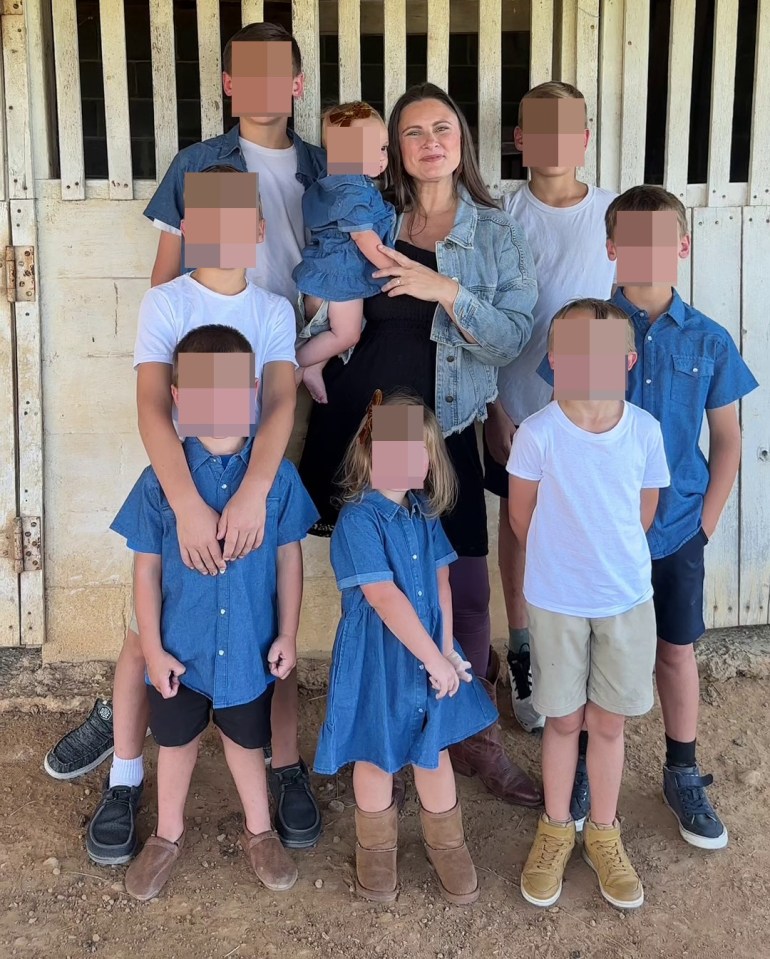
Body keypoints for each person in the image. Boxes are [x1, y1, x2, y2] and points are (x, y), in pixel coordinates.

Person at [44, 19, 326, 849]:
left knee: (263, 586)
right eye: (252, 71)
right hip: (194, 409)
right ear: (230, 83)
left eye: (284, 72)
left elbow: (284, 381)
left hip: (268, 401)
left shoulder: (318, 170)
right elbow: (163, 320)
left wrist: (248, 486)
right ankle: (129, 771)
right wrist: (187, 489)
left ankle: (278, 763)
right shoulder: (200, 169)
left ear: (297, 84)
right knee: (159, 601)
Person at [299, 83, 542, 808]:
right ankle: (391, 745)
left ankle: (474, 739)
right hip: (365, 434)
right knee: (375, 600)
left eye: (443, 127)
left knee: (464, 594)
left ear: (462, 140)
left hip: (445, 436)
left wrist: (445, 289)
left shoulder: (494, 233)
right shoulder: (370, 210)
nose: (430, 141)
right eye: (413, 131)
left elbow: (511, 336)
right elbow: (326, 297)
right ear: (393, 147)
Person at [112, 325, 319, 902]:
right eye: (199, 390)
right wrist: (152, 649)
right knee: (175, 744)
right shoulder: (161, 483)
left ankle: (260, 832)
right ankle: (166, 834)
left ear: (254, 391)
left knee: (245, 742)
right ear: (177, 398)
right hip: (182, 648)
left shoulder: (275, 480)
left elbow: (288, 561)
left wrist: (288, 633)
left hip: (250, 648)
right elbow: (146, 571)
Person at [601, 186, 758, 848]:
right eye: (630, 240)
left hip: (676, 531)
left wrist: (706, 523)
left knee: (675, 649)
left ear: (683, 246)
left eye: (659, 239)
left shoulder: (710, 340)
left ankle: (682, 767)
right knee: (598, 652)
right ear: (610, 249)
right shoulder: (586, 330)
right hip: (601, 532)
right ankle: (588, 769)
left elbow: (727, 441)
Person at [511, 299, 670, 910]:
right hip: (555, 604)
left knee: (608, 723)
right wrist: (563, 567)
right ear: (555, 361)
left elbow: (643, 513)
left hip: (625, 601)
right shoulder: (538, 433)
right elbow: (522, 516)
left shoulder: (645, 432)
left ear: (628, 361)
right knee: (562, 719)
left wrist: (605, 568)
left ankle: (603, 831)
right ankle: (556, 827)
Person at [314, 389, 498, 904]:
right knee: (376, 756)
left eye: (424, 450)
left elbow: (442, 582)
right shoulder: (358, 520)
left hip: (429, 656)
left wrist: (447, 650)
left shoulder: (423, 513)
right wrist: (432, 658)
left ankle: (449, 845)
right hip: (379, 659)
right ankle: (375, 851)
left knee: (433, 751)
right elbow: (384, 597)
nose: (417, 460)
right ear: (372, 449)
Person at [484, 82, 617, 784]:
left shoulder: (611, 216)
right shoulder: (499, 213)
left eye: (570, 129)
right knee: (519, 522)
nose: (556, 141)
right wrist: (491, 407)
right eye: (541, 128)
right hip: (514, 407)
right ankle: (525, 647)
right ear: (520, 139)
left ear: (585, 139)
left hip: (594, 414)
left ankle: (586, 656)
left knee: (587, 527)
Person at [293, 101, 396, 404]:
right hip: (340, 279)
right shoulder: (354, 190)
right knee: (347, 335)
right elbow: (365, 239)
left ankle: (314, 368)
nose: (382, 158)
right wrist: (395, 271)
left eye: (384, 148)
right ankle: (293, 363)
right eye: (373, 150)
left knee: (344, 329)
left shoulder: (336, 180)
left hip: (327, 276)